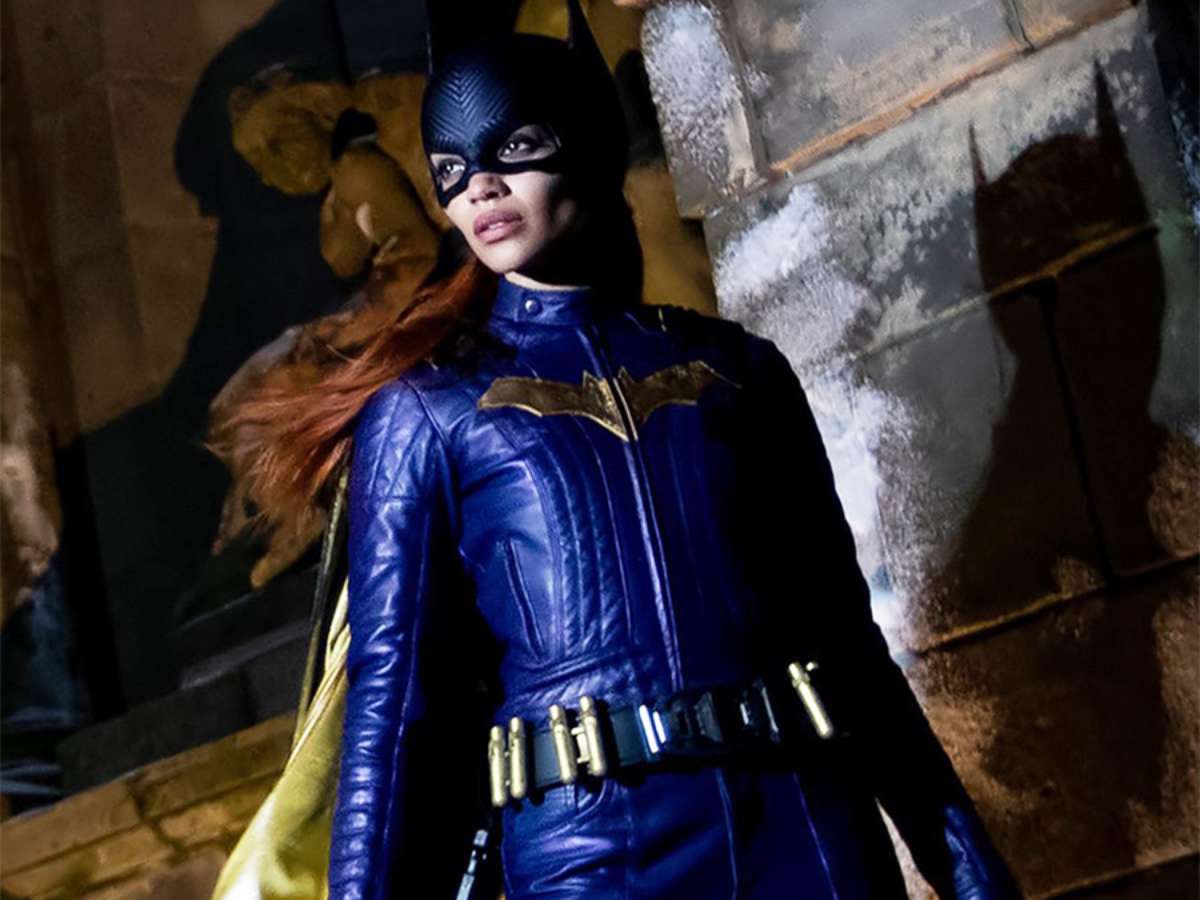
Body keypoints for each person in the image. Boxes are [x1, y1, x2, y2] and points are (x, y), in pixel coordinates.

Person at [215, 2, 1024, 897]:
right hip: (591, 861)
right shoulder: (427, 412)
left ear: (587, 144)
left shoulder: (738, 372)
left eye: (513, 148)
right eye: (450, 172)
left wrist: (975, 877)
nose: (478, 188)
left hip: (807, 833)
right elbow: (394, 713)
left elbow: (848, 650)